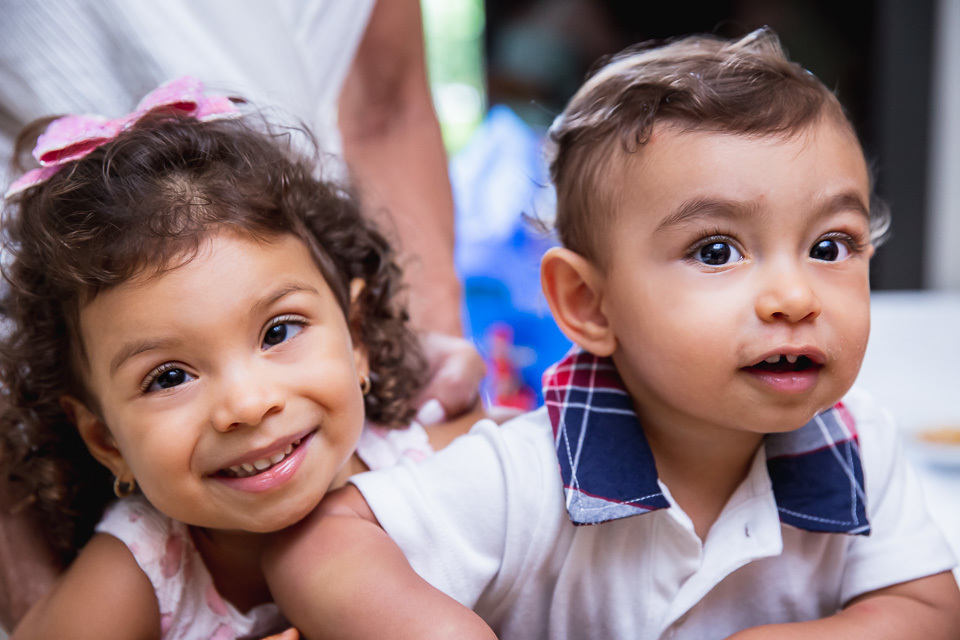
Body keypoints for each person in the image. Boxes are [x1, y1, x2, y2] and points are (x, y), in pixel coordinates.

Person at [265, 29, 960, 639]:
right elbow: (320, 542)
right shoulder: (529, 476)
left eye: (830, 246)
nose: (795, 297)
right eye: (717, 250)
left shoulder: (856, 444)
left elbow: (927, 607)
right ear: (589, 304)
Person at [0, 1, 485, 629]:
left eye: (279, 332)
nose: (248, 405)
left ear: (357, 335)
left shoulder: (433, 460)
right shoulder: (142, 570)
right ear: (105, 440)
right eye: (169, 377)